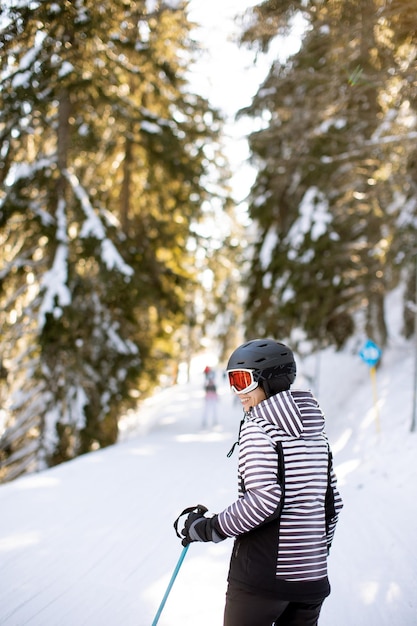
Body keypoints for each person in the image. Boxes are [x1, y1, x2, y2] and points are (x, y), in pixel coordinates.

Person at [178, 339, 343, 626]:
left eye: (242, 381)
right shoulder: (317, 434)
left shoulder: (260, 428)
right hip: (312, 581)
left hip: (262, 579)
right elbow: (333, 504)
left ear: (271, 381)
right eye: (231, 381)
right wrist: (312, 553)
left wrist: (207, 528)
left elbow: (263, 501)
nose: (236, 392)